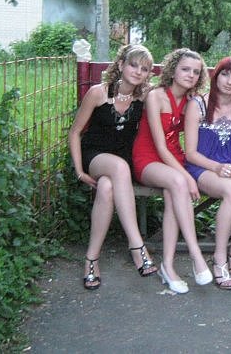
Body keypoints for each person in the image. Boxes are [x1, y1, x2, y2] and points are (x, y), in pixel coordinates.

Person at [68, 44, 158, 290]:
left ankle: (91, 259)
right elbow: (75, 133)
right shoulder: (98, 93)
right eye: (133, 65)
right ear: (120, 65)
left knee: (107, 187)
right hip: (95, 156)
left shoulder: (144, 96)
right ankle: (137, 245)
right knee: (117, 168)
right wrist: (79, 171)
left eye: (144, 69)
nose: (138, 72)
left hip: (123, 160)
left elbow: (174, 95)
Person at [131, 48, 212, 294]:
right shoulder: (156, 96)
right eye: (185, 69)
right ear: (173, 70)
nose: (190, 75)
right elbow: (160, 147)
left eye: (196, 72)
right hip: (148, 158)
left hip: (175, 160)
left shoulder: (192, 102)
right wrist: (187, 177)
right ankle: (196, 255)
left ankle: (167, 265)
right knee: (179, 184)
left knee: (173, 191)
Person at [184, 57, 231, 289]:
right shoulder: (198, 104)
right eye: (225, 74)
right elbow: (190, 153)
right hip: (202, 165)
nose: (229, 81)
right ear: (215, 76)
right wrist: (215, 167)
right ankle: (219, 258)